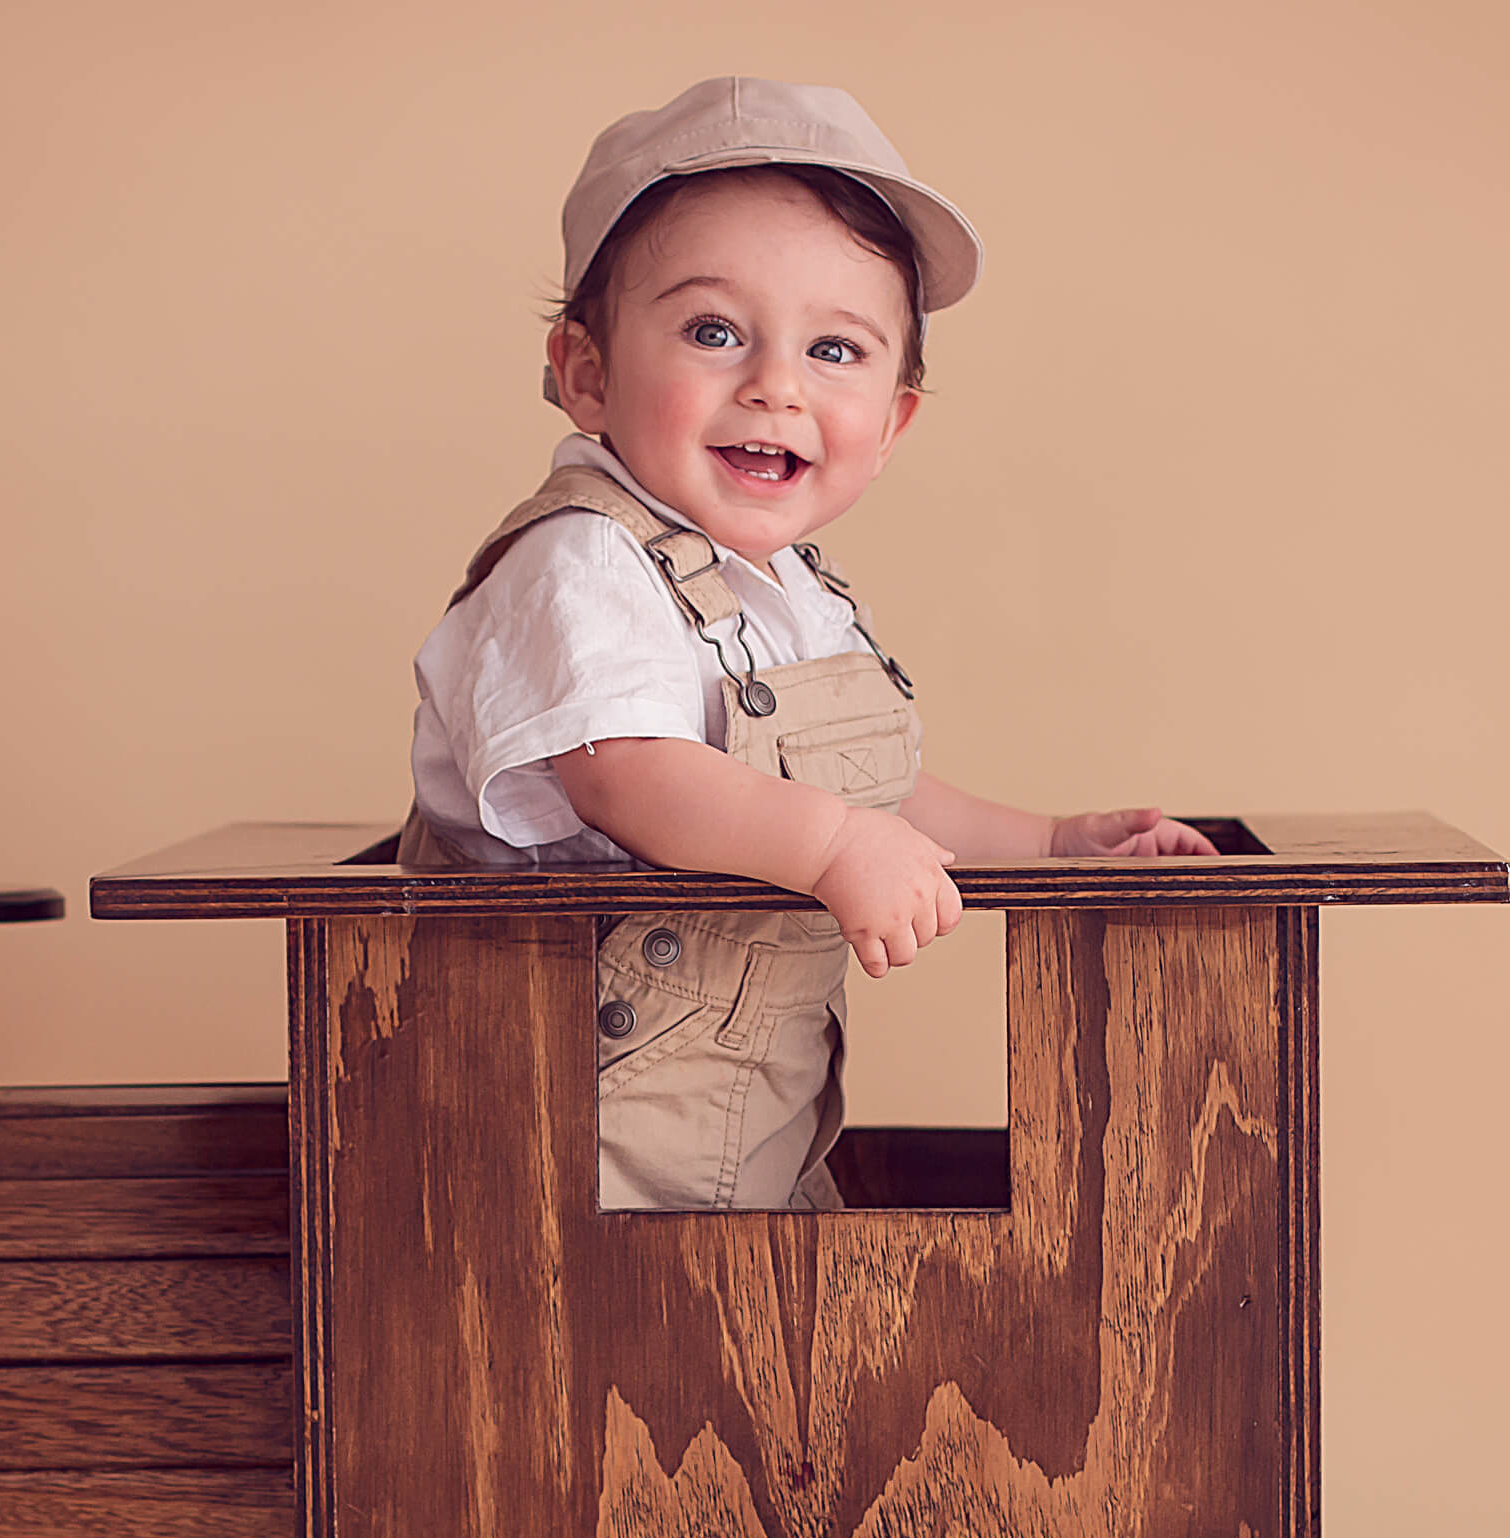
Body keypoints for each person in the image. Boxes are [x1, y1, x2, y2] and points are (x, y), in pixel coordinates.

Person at [405, 77, 1217, 1212]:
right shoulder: (584, 562)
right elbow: (626, 773)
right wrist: (836, 847)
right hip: (571, 1147)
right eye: (714, 331)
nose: (775, 384)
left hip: (742, 1139)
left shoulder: (785, 590)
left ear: (891, 424)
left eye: (836, 350)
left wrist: (1052, 842)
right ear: (587, 374)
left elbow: (868, 787)